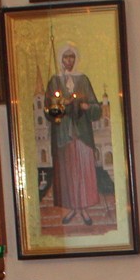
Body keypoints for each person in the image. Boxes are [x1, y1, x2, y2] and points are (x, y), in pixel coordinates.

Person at [42, 44, 103, 227]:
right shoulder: (55, 81)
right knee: (68, 172)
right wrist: (63, 104)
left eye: (72, 57)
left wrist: (87, 107)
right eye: (65, 57)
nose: (69, 61)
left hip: (82, 135)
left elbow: (96, 109)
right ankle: (72, 208)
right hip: (63, 136)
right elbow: (49, 110)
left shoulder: (83, 79)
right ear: (60, 59)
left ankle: (83, 208)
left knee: (83, 170)